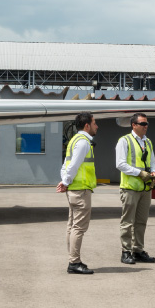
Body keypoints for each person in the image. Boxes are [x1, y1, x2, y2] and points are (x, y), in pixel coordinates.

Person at [56, 112, 99, 275]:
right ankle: (74, 262)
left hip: (74, 189)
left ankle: (72, 259)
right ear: (87, 125)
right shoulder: (83, 142)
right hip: (80, 190)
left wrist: (65, 181)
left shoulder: (74, 140)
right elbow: (73, 165)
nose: (97, 126)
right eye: (94, 123)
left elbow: (65, 165)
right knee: (79, 228)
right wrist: (66, 182)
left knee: (72, 226)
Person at [115, 113, 155, 265]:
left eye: (147, 124)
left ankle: (138, 250)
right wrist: (139, 173)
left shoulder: (148, 142)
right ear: (134, 125)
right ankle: (126, 251)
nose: (146, 126)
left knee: (141, 221)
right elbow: (120, 164)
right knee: (127, 221)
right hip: (130, 188)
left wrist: (154, 172)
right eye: (143, 124)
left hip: (145, 188)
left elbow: (152, 161)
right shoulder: (124, 141)